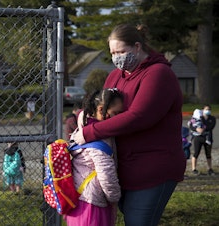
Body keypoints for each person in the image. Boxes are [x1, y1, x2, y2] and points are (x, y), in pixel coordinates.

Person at [71, 23, 186, 226]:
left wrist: (90, 133)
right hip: (125, 168)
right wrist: (82, 117)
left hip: (153, 169)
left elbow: (139, 116)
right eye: (113, 52)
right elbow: (102, 109)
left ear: (137, 47)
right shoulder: (115, 75)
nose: (117, 57)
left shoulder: (158, 74)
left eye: (121, 51)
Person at [65, 88, 123, 226]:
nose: (120, 118)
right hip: (93, 205)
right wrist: (114, 197)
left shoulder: (82, 128)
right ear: (101, 109)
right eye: (116, 113)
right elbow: (106, 173)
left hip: (78, 198)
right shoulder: (99, 138)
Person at [190, 104, 216, 176]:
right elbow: (191, 125)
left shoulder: (212, 118)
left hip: (208, 137)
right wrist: (196, 129)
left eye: (209, 109)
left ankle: (209, 168)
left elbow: (211, 126)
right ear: (203, 110)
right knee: (196, 153)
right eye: (206, 109)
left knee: (208, 154)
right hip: (198, 138)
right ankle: (194, 168)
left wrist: (204, 128)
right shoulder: (197, 117)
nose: (208, 111)